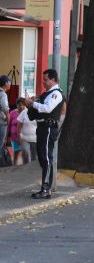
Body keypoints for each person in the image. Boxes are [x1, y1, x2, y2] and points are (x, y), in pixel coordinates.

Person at [25, 69, 64, 199]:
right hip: (41, 127)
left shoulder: (56, 94)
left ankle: (46, 188)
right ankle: (46, 188)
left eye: (46, 79)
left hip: (48, 127)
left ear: (53, 80)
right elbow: (37, 111)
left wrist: (33, 103)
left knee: (46, 158)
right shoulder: (46, 94)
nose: (44, 82)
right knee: (43, 158)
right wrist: (32, 103)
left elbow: (47, 108)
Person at [16, 98, 37, 164]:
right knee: (25, 153)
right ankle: (25, 167)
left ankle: (32, 169)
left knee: (34, 156)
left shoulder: (38, 113)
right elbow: (19, 125)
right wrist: (18, 135)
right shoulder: (24, 113)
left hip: (35, 139)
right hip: (24, 138)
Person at [9, 98, 25, 165]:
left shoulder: (27, 112)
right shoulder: (12, 113)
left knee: (25, 154)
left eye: (22, 105)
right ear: (16, 105)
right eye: (19, 105)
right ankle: (14, 168)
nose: (21, 107)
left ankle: (25, 169)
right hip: (14, 137)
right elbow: (9, 125)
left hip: (24, 137)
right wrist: (6, 137)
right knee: (16, 153)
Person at [0, 75, 9, 156]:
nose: (10, 84)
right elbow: (5, 108)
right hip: (1, 122)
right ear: (5, 83)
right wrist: (8, 117)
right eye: (9, 82)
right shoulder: (3, 94)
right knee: (1, 143)